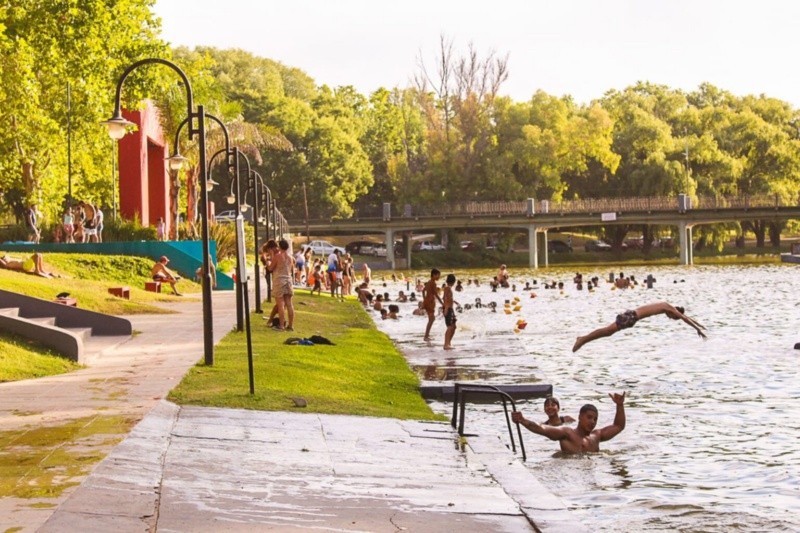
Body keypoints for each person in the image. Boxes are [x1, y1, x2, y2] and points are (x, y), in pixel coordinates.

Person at [512, 392, 626, 453]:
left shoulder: (596, 436)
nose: (592, 422)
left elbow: (618, 426)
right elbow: (543, 429)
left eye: (595, 419)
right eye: (589, 417)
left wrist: (620, 405)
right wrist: (522, 420)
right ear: (580, 417)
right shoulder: (567, 433)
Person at [572, 302, 707, 352]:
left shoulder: (667, 306)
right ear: (674, 313)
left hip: (632, 318)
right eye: (673, 317)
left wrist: (699, 325)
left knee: (608, 332)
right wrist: (697, 329)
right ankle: (582, 339)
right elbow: (684, 318)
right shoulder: (669, 307)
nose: (671, 318)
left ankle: (583, 340)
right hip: (631, 317)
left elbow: (686, 317)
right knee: (607, 331)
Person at [266, 239, 295, 331]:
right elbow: (291, 270)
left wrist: (268, 261)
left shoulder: (277, 256)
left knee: (280, 304)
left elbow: (270, 268)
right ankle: (290, 326)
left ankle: (281, 325)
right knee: (289, 304)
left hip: (279, 281)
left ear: (280, 247)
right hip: (288, 281)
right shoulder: (290, 258)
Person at [422, 268, 444, 341]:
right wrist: (442, 303)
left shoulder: (429, 282)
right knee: (431, 319)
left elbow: (423, 291)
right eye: (438, 275)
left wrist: (424, 299)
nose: (439, 277)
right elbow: (436, 294)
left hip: (428, 301)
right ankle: (426, 336)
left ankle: (427, 335)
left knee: (431, 319)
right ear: (434, 275)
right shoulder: (433, 283)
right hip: (430, 302)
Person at [442, 273, 458, 350]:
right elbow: (446, 298)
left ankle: (448, 343)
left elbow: (446, 298)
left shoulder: (448, 288)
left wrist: (454, 301)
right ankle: (446, 344)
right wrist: (446, 309)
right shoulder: (447, 288)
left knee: (454, 326)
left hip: (450, 308)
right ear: (454, 281)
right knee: (450, 326)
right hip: (448, 308)